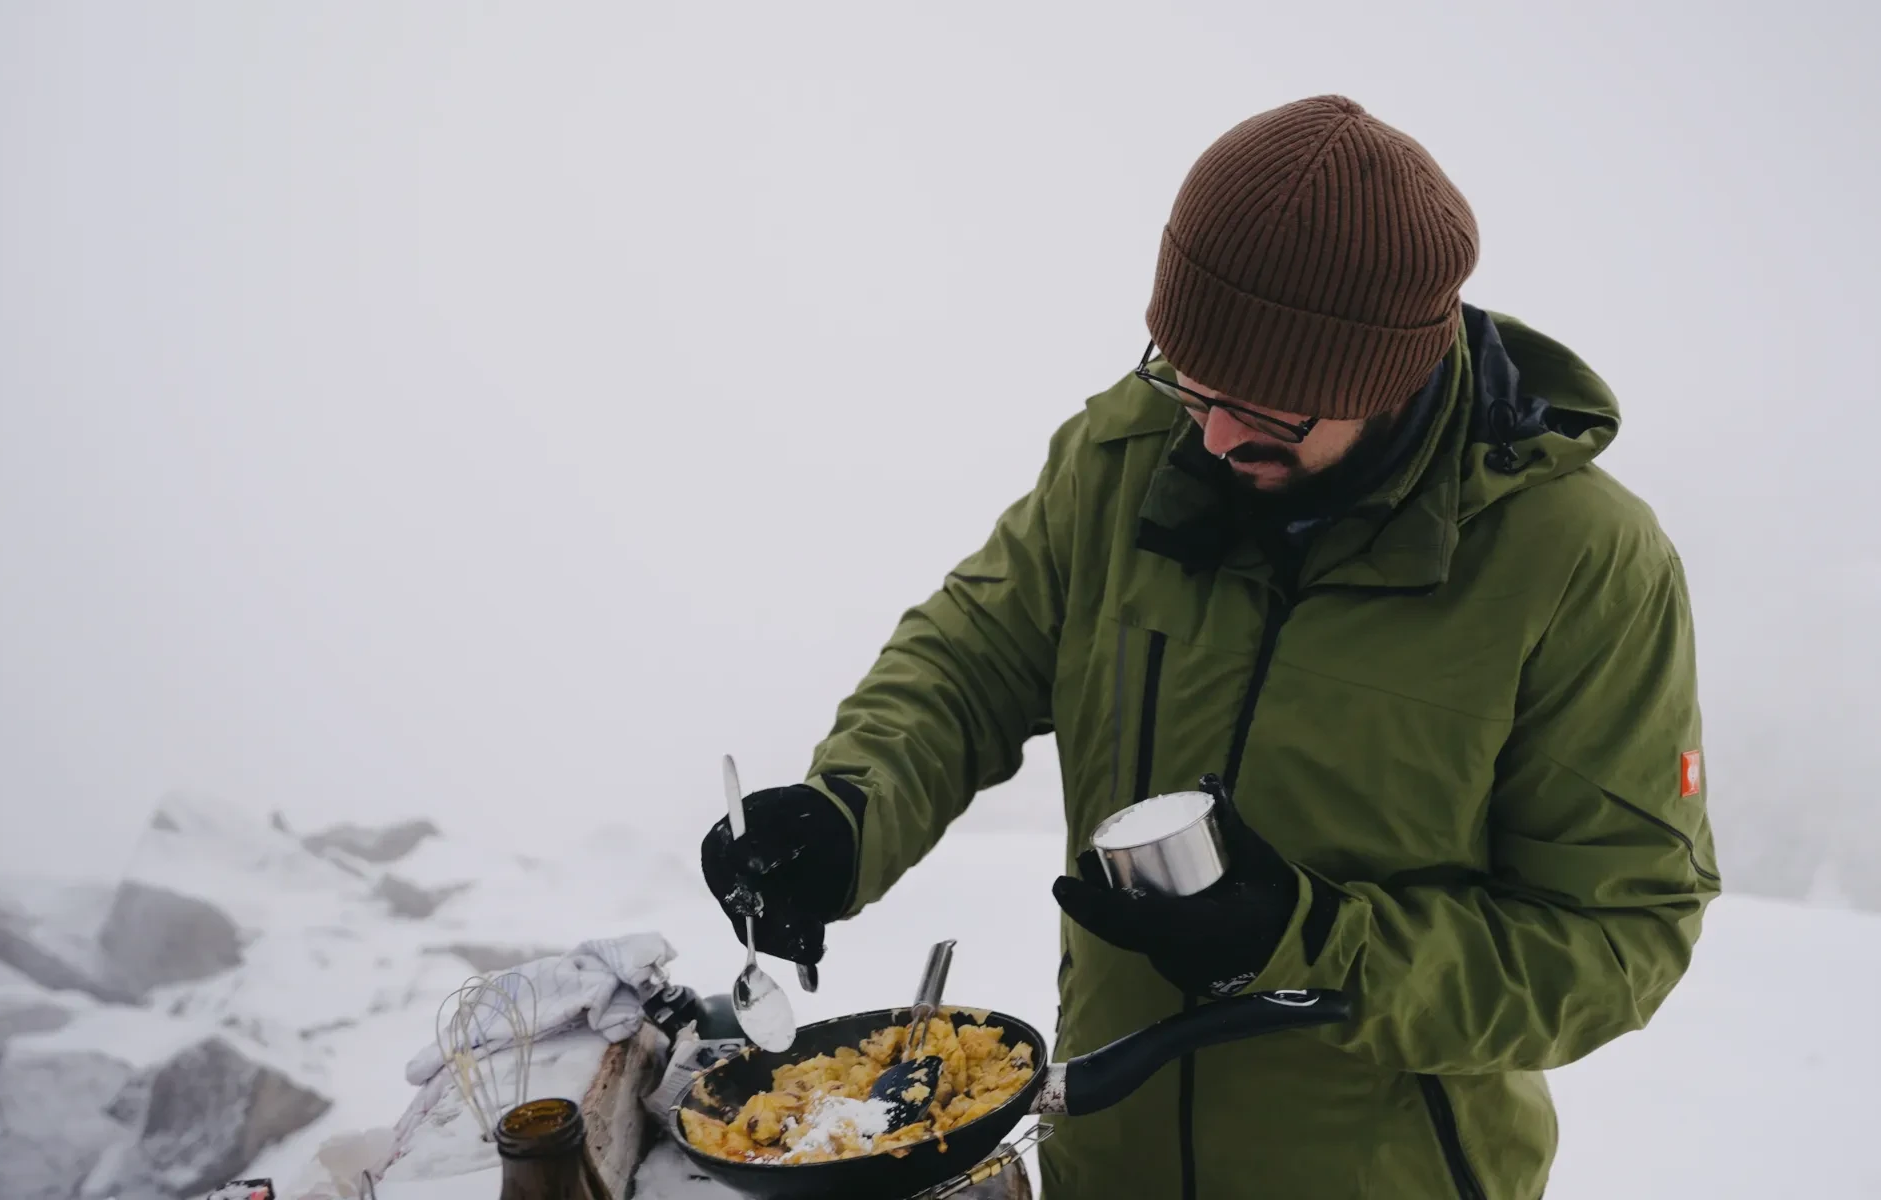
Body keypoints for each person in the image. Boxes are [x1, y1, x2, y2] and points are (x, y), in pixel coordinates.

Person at [700, 94, 1719, 1200]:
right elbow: (974, 653)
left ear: (1381, 380)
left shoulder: (1578, 562)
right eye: (1190, 380)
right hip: (1107, 1158)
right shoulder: (1128, 448)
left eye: (1271, 412)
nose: (1218, 433)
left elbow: (1614, 939)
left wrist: (1307, 940)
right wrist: (852, 806)